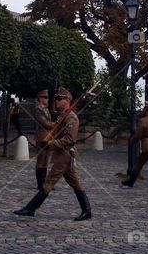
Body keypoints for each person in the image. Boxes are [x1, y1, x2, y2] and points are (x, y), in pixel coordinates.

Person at [14, 87, 92, 221]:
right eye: (56, 98)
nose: (56, 101)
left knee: (49, 182)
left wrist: (50, 144)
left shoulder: (71, 118)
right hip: (62, 155)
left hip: (65, 156)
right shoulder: (63, 116)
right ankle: (87, 210)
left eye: (59, 99)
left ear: (67, 101)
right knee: (75, 183)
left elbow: (69, 139)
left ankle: (31, 208)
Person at [32, 89, 54, 190]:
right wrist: (55, 124)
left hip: (48, 136)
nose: (47, 99)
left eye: (47, 97)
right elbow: (44, 123)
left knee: (46, 160)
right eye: (45, 97)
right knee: (41, 159)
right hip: (41, 136)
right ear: (40, 98)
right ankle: (40, 183)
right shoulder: (38, 109)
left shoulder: (45, 109)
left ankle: (44, 181)